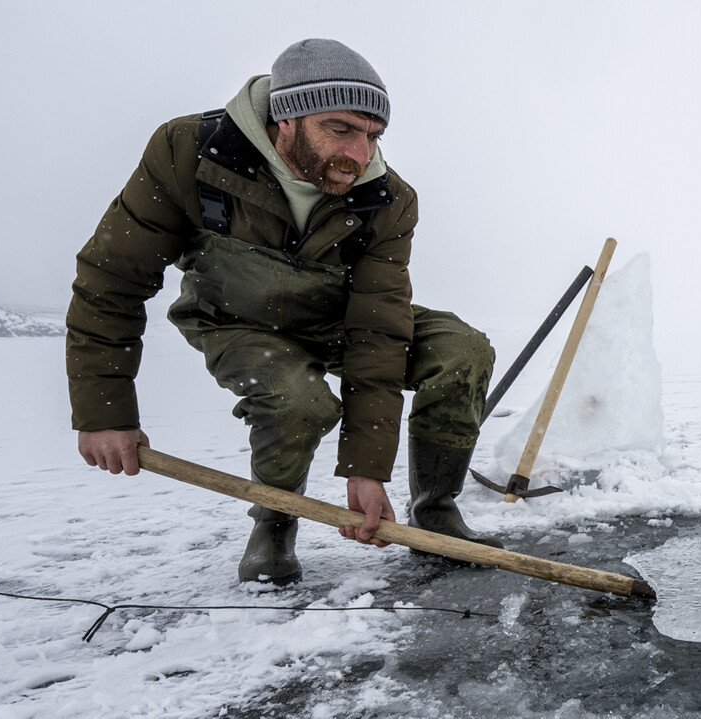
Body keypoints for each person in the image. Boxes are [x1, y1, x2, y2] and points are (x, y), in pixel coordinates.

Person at [66, 38, 502, 587]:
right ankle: (274, 524)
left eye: (373, 136)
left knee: (462, 351)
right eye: (340, 129)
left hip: (336, 320)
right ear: (285, 117)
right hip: (236, 322)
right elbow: (111, 280)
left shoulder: (388, 199)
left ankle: (434, 513)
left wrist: (366, 470)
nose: (360, 154)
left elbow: (377, 329)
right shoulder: (189, 153)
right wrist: (104, 414)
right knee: (298, 401)